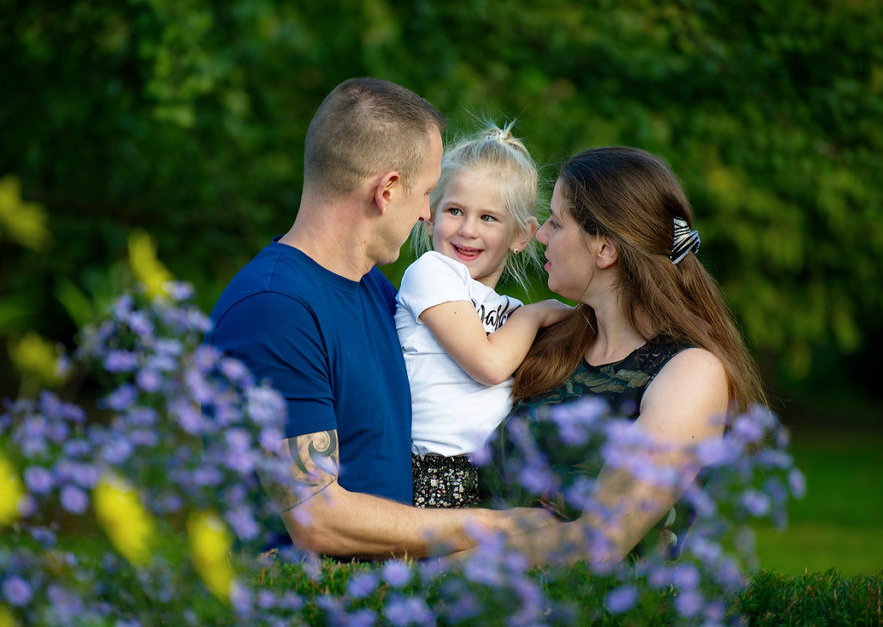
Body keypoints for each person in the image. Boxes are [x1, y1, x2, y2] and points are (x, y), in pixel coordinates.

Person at [207, 78, 553, 560]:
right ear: (388, 191)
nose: (425, 215)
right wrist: (499, 527)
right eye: (429, 193)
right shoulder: (275, 309)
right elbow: (317, 518)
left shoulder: (371, 287)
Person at [482, 146, 768, 564]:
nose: (541, 235)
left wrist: (429, 573)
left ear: (605, 250)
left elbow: (601, 541)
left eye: (557, 223)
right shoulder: (553, 341)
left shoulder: (689, 373)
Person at [394, 124, 573, 508]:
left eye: (488, 218)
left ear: (521, 235)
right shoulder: (430, 273)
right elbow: (489, 364)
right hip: (436, 472)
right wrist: (536, 314)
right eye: (455, 211)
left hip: (496, 472)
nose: (467, 229)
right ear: (430, 215)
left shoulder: (508, 310)